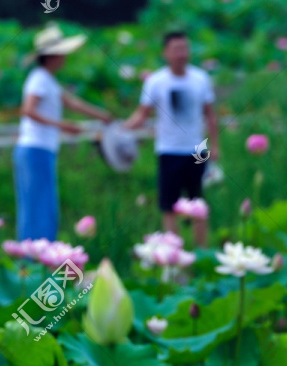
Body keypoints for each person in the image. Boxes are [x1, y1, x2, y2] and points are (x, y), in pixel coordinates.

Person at [14, 24, 114, 242]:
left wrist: (101, 115)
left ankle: (42, 256)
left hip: (43, 149)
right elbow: (28, 110)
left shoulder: (47, 80)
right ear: (51, 57)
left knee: (45, 204)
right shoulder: (38, 79)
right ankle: (32, 259)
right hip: (35, 148)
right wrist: (61, 125)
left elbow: (72, 102)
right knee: (36, 206)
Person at [124, 31, 219, 247]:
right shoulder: (156, 82)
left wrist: (215, 144)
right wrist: (121, 129)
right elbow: (142, 114)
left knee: (198, 205)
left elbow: (211, 115)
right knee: (169, 206)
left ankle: (201, 254)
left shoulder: (200, 79)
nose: (181, 54)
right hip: (168, 150)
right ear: (166, 52)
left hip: (196, 150)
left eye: (184, 49)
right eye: (176, 50)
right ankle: (174, 255)